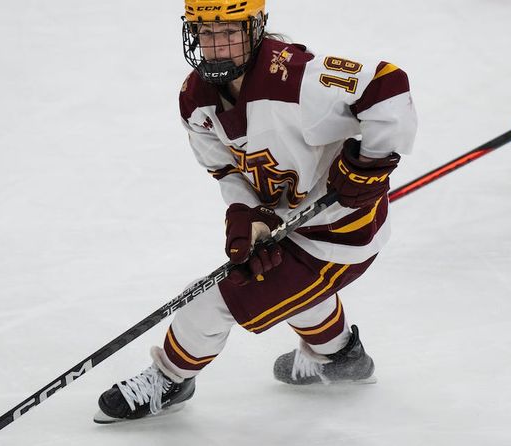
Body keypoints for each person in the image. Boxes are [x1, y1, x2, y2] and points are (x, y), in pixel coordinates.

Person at [94, 0, 416, 423]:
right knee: (291, 293)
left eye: (229, 31)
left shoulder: (298, 79)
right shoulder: (196, 100)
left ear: (256, 28)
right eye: (206, 32)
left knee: (210, 304)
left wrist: (368, 164)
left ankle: (170, 378)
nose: (217, 45)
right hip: (290, 223)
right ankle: (341, 359)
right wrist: (250, 216)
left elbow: (387, 86)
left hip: (341, 233)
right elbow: (227, 170)